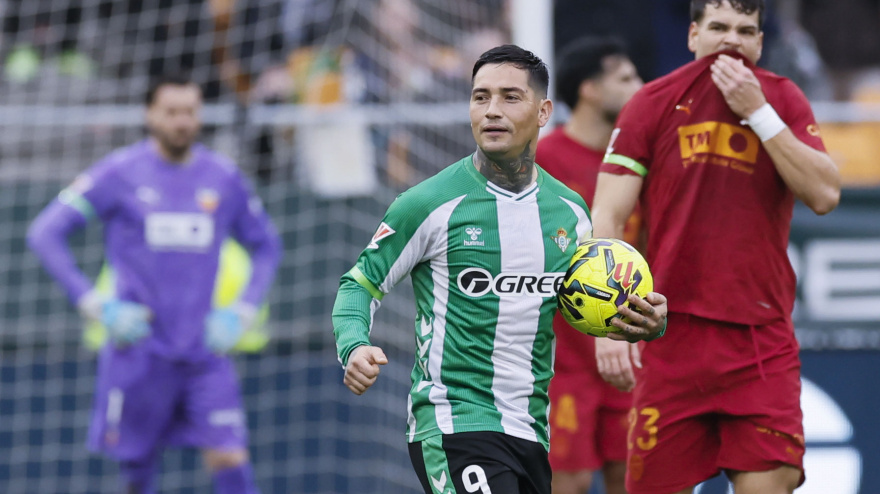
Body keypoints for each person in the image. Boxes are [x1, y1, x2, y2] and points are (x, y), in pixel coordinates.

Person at [331, 44, 668, 494]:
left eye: (510, 97)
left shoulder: (570, 213)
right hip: (453, 421)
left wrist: (644, 322)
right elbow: (359, 284)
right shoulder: (428, 203)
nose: (491, 110)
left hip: (530, 429)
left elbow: (595, 306)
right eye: (480, 97)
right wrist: (353, 345)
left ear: (543, 110)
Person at [590, 1, 841, 493]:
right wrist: (605, 322)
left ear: (760, 44)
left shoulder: (783, 99)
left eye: (746, 31)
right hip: (669, 335)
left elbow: (826, 195)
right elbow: (607, 215)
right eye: (719, 27)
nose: (732, 40)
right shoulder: (652, 102)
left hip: (759, 342)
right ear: (692, 35)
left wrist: (759, 114)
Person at [27, 75, 282, 494]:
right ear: (150, 114)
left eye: (190, 112)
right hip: (139, 353)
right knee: (137, 471)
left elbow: (267, 246)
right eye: (172, 112)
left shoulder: (222, 178)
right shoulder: (118, 173)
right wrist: (95, 304)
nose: (182, 122)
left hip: (204, 353)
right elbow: (45, 233)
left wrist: (244, 310)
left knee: (230, 458)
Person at [536, 37, 644, 494]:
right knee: (569, 481)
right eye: (626, 78)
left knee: (634, 478)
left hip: (631, 350)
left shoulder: (640, 161)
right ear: (590, 90)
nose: (641, 87)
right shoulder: (540, 161)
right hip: (562, 361)